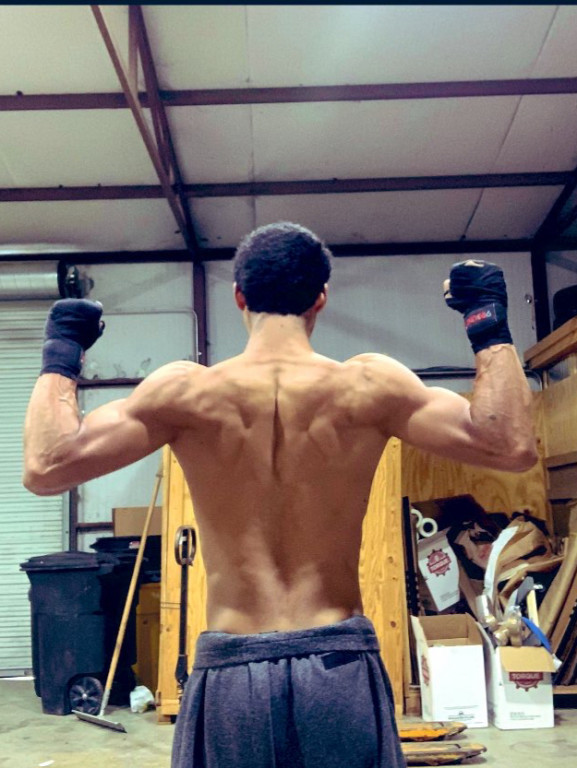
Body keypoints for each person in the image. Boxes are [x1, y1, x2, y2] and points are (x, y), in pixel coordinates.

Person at [23, 222, 538, 768]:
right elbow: (510, 445)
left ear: (239, 297)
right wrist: (488, 326)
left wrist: (62, 355)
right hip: (337, 665)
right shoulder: (370, 387)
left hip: (232, 673)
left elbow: (45, 468)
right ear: (321, 298)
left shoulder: (186, 393)